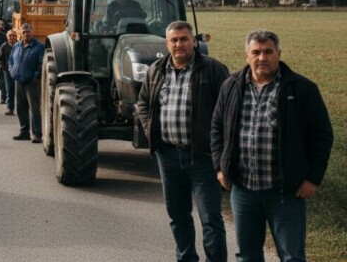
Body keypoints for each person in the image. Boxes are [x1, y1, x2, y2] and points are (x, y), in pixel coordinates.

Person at [211, 29, 333, 262]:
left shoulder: (301, 89)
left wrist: (313, 178)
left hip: (285, 192)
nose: (262, 58)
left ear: (279, 54)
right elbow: (216, 128)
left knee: (292, 256)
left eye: (268, 51)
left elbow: (321, 136)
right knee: (247, 256)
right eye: (256, 52)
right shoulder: (231, 86)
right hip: (243, 190)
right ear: (247, 55)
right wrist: (219, 167)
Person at [136, 21, 230, 262]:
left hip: (202, 157)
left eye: (184, 39)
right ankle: (186, 257)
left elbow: (228, 111)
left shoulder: (213, 70)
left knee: (210, 218)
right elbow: (143, 103)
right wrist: (150, 130)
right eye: (174, 40)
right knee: (178, 215)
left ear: (194, 41)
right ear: (167, 44)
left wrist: (217, 151)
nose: (179, 44)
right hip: (167, 156)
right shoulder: (156, 70)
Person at [9, 23, 45, 142]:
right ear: (21, 33)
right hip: (19, 81)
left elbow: (41, 64)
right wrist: (11, 70)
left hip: (32, 83)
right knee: (21, 108)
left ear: (32, 32)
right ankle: (24, 132)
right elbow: (11, 60)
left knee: (34, 109)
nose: (26, 34)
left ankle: (37, 134)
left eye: (28, 31)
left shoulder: (39, 46)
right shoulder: (17, 45)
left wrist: (35, 76)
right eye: (24, 32)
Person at [0, 29, 18, 115]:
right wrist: (4, 69)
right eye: (10, 36)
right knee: (9, 91)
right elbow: (0, 59)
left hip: (18, 73)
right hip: (8, 72)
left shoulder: (19, 46)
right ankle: (10, 108)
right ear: (7, 37)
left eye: (13, 36)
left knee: (20, 92)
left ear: (16, 37)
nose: (12, 37)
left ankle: (22, 109)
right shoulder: (4, 46)